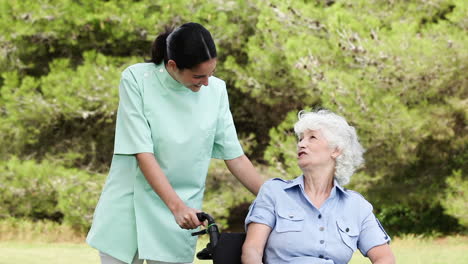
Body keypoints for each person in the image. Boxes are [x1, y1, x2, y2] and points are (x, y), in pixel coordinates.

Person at [86, 22, 264, 264]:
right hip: (130, 211)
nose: (206, 83)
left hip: (181, 219)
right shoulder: (136, 79)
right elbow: (142, 152)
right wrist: (176, 207)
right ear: (172, 65)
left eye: (211, 74)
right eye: (198, 76)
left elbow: (235, 157)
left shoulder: (217, 91)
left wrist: (277, 199)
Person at [242, 109, 395, 264]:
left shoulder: (357, 206)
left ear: (336, 150)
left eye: (312, 138)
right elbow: (252, 251)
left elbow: (385, 258)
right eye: (300, 139)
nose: (301, 144)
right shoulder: (274, 192)